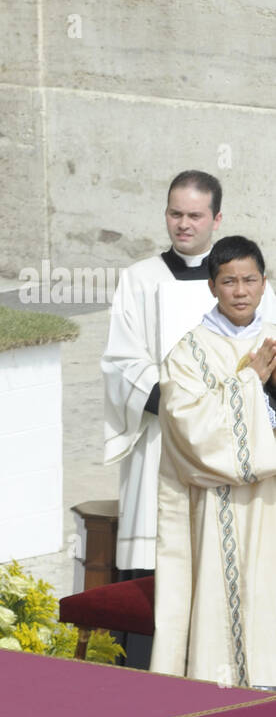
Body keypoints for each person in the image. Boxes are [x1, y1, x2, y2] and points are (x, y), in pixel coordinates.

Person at [101, 171, 273, 580]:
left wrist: (226, 409)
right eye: (175, 214)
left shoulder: (249, 284)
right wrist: (182, 409)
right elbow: (121, 363)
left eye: (195, 215)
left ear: (216, 219)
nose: (184, 224)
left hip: (235, 444)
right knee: (160, 562)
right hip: (164, 435)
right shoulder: (140, 279)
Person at [155, 235, 276, 690]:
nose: (240, 291)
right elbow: (192, 434)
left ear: (264, 284)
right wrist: (249, 383)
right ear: (212, 287)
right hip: (217, 507)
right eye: (229, 282)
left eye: (249, 280)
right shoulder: (188, 354)